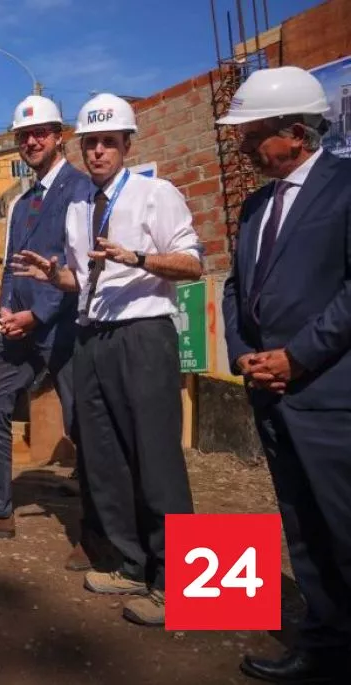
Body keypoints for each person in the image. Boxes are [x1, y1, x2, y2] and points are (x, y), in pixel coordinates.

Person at [13, 93, 202, 627]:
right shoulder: (78, 209)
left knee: (156, 460)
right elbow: (83, 280)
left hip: (143, 334)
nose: (98, 152)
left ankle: (177, 584)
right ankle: (131, 564)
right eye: (90, 143)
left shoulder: (154, 194)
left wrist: (137, 257)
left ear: (126, 144)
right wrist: (53, 277)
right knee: (106, 459)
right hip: (93, 336)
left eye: (108, 142)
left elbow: (191, 261)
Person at [218, 66, 351, 683]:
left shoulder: (346, 188)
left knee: (344, 527)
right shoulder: (253, 207)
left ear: (296, 132)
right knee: (302, 526)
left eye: (253, 133)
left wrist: (298, 356)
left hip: (329, 397)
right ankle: (323, 647)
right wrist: (245, 351)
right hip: (269, 395)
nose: (243, 146)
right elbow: (236, 288)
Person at [0, 95, 92, 555]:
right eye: (24, 135)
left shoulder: (79, 189)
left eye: (40, 133)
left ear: (58, 136)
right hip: (18, 331)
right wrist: (6, 311)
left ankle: (100, 530)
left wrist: (38, 313)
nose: (31, 141)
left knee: (83, 422)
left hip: (61, 328)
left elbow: (78, 264)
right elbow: (10, 265)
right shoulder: (23, 200)